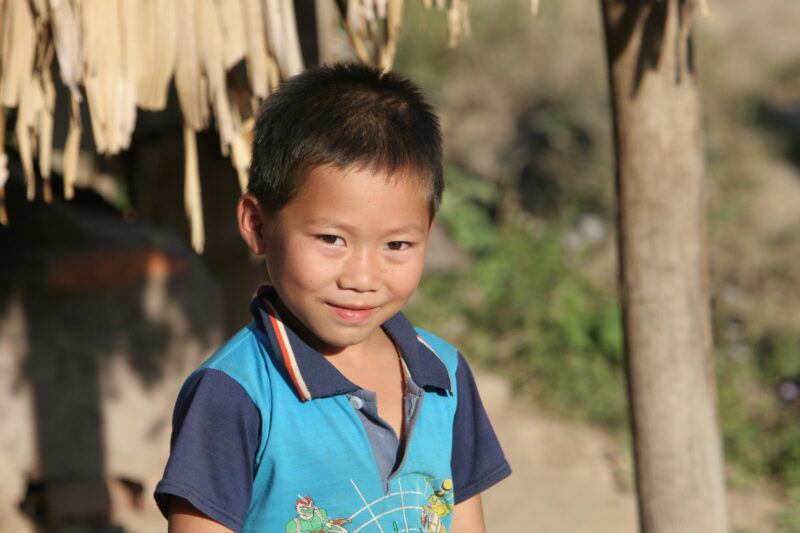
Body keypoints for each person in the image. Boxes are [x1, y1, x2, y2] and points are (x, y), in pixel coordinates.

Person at [154, 63, 511, 533]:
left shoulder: (444, 376)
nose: (363, 277)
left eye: (397, 245)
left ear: (429, 235)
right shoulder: (236, 394)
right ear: (258, 226)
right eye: (331, 239)